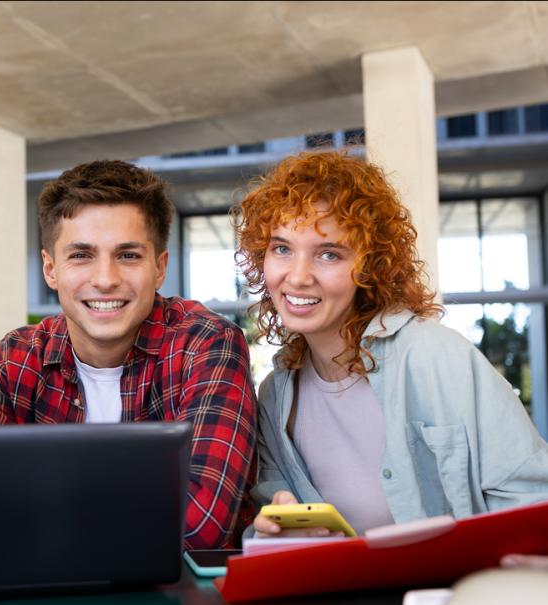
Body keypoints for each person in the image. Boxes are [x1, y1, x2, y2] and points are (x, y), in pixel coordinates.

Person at [233, 149, 548, 539]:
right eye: (282, 248)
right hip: (342, 597)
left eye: (328, 254)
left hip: (452, 594)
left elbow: (533, 501)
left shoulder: (437, 357)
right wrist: (274, 528)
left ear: (370, 267)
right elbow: (273, 522)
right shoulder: (276, 395)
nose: (297, 277)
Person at [0, 160, 257, 548]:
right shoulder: (17, 358)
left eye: (128, 255)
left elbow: (200, 524)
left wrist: (34, 517)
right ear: (51, 269)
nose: (105, 279)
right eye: (81, 255)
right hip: (44, 595)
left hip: (177, 601)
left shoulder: (206, 343)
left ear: (159, 267)